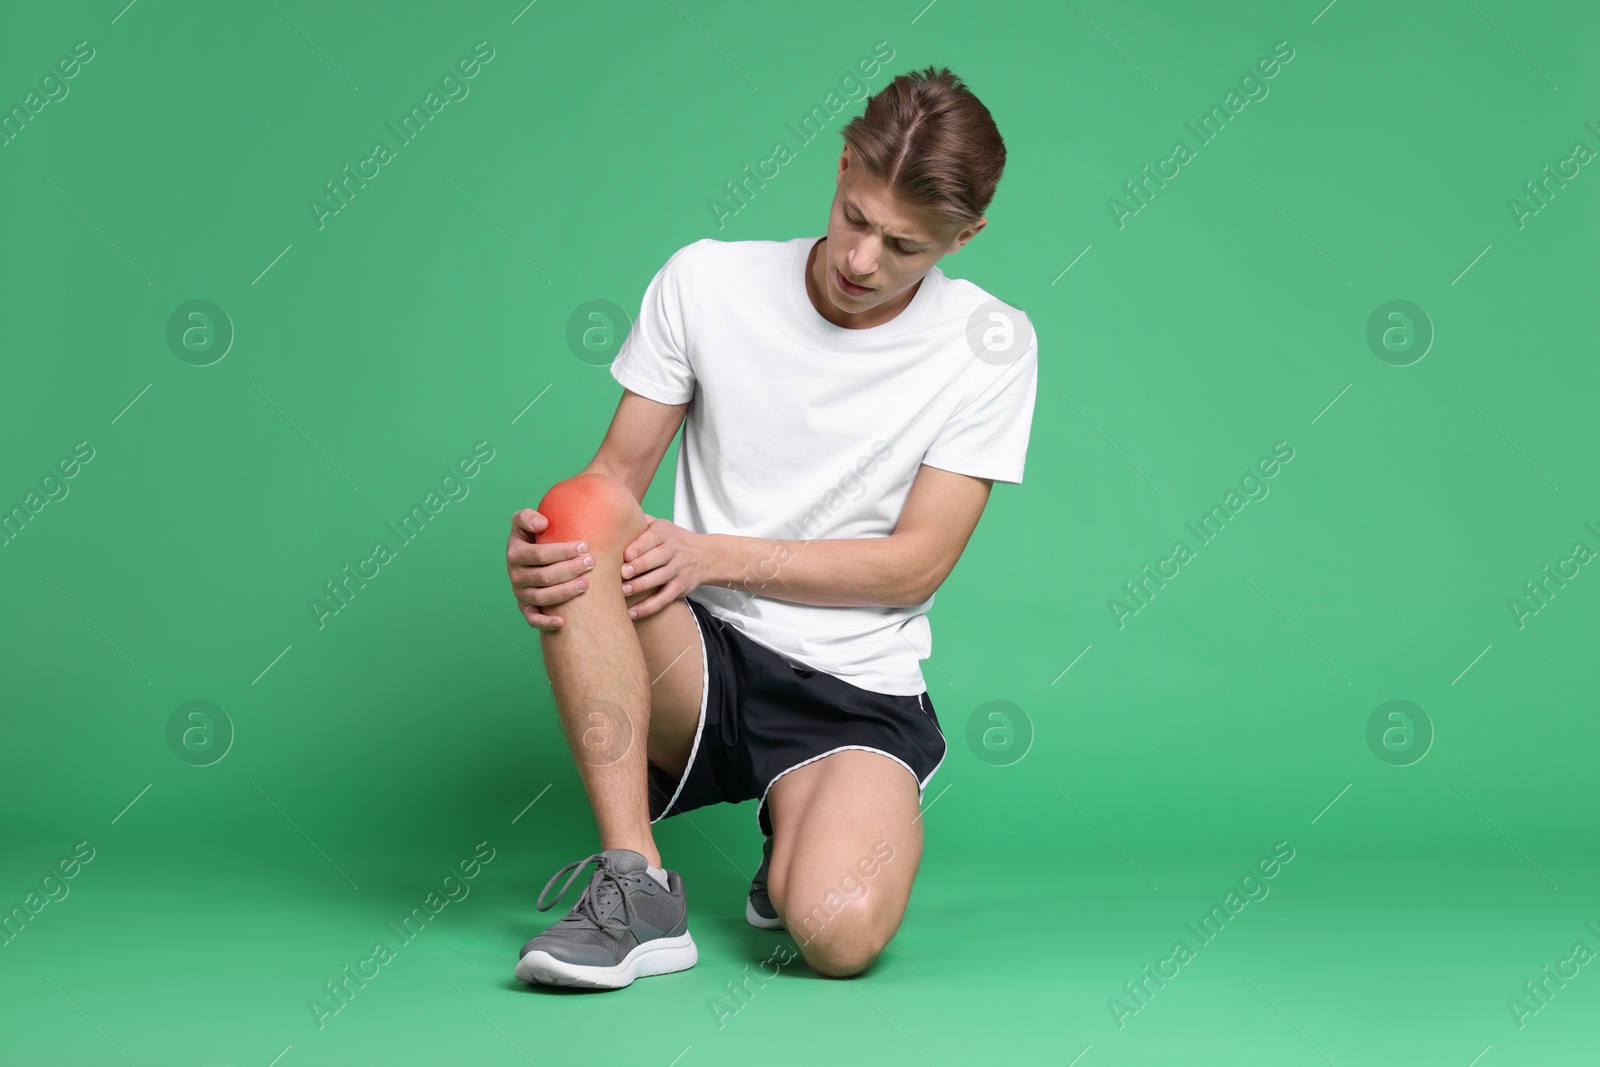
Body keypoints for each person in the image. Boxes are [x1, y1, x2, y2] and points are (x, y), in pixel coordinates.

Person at [504, 65, 1037, 989]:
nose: (863, 260)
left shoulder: (992, 344)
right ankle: (638, 890)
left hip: (852, 691)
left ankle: (805, 832)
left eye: (906, 247)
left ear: (966, 236)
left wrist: (713, 553)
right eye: (857, 217)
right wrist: (555, 551)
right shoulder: (707, 280)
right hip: (696, 653)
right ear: (840, 168)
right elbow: (615, 480)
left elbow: (914, 567)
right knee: (574, 511)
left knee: (834, 934)